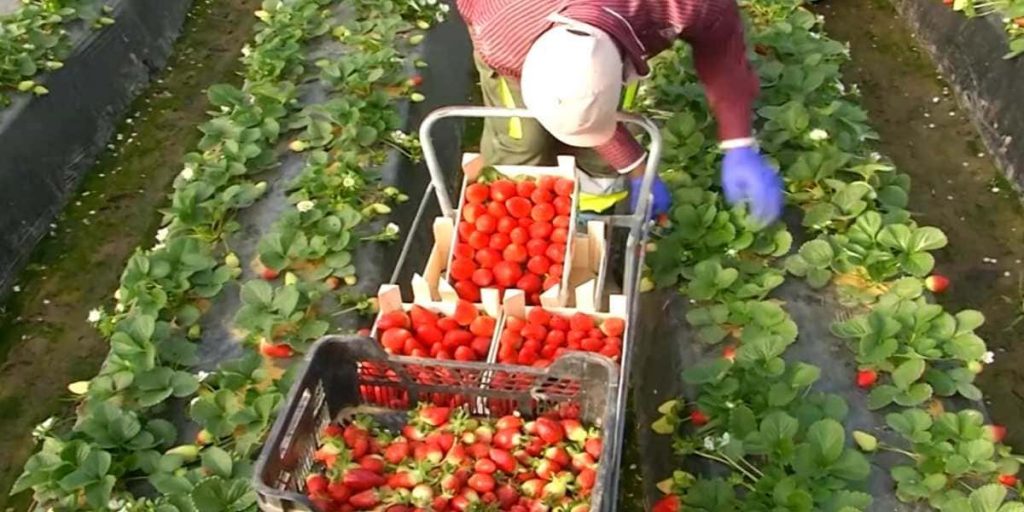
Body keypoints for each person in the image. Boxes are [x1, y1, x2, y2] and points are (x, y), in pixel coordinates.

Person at [456, 0, 783, 225]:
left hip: (619, 31)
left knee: (601, 142)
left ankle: (594, 216)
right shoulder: (499, 37)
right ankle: (510, 212)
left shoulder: (685, 5)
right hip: (515, 31)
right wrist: (637, 166)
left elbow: (723, 53)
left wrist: (738, 142)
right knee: (521, 140)